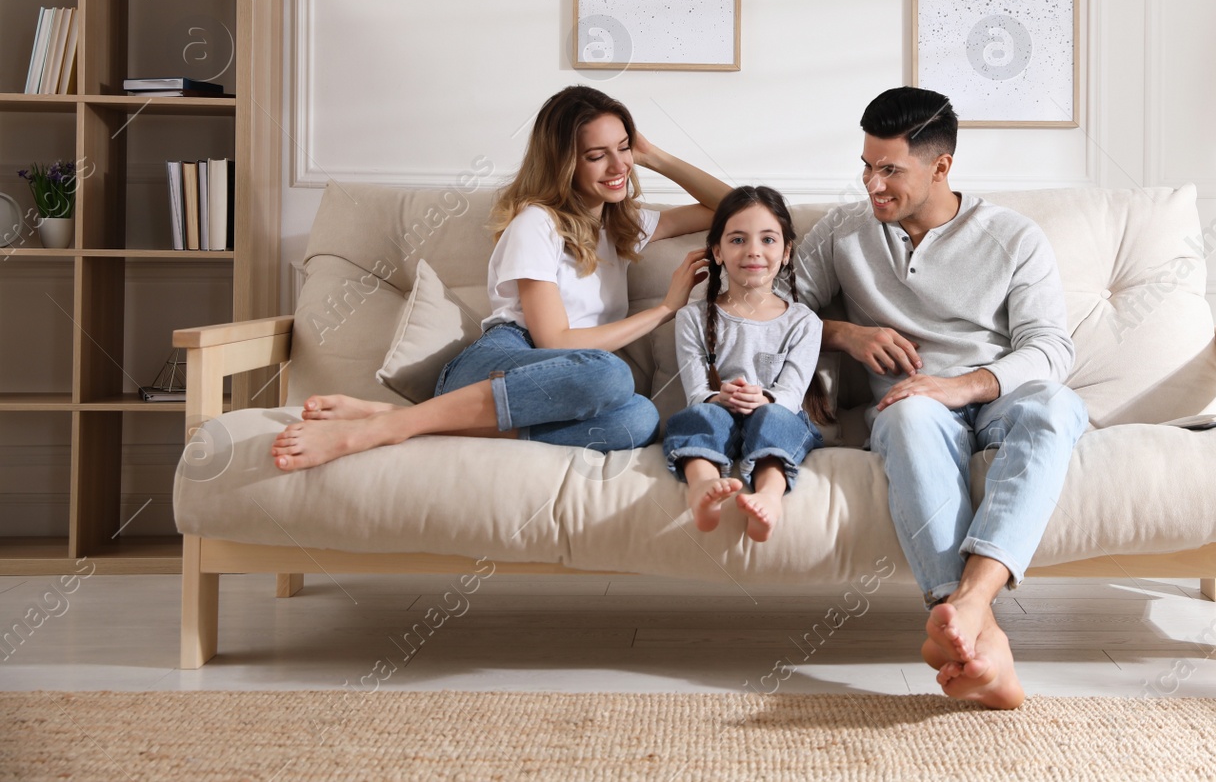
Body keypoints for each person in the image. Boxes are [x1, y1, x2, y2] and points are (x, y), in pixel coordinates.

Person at [792, 86, 1088, 710]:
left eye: (890, 170)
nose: (873, 184)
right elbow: (772, 310)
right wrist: (844, 333)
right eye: (867, 167)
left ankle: (968, 609)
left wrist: (965, 384)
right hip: (914, 406)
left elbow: (1051, 349)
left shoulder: (1013, 236)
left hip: (997, 396)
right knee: (902, 415)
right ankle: (980, 634)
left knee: (1056, 406)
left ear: (941, 167)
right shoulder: (846, 230)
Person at [270, 85, 728, 471]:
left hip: (549, 388)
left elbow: (732, 206)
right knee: (610, 375)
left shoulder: (623, 224)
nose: (618, 166)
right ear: (565, 162)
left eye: (623, 148)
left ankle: (410, 418)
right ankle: (388, 428)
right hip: (498, 363)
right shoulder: (537, 223)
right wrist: (666, 309)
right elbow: (554, 341)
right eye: (596, 155)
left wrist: (654, 156)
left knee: (639, 420)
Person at [662, 186, 823, 542]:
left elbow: (792, 395)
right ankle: (703, 487)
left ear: (785, 253)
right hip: (718, 413)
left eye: (768, 239)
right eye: (737, 240)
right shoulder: (691, 318)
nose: (753, 251)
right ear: (717, 251)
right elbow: (697, 394)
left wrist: (762, 399)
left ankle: (768, 494)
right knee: (698, 418)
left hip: (777, 413)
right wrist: (719, 398)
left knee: (774, 418)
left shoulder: (804, 322)